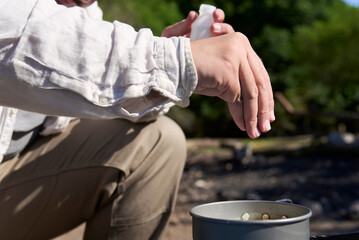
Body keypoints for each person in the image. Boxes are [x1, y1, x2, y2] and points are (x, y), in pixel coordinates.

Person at [0, 0, 275, 239]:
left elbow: (93, 91)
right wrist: (174, 60)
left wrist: (164, 77)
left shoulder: (84, 10)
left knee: (159, 142)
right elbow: (18, 34)